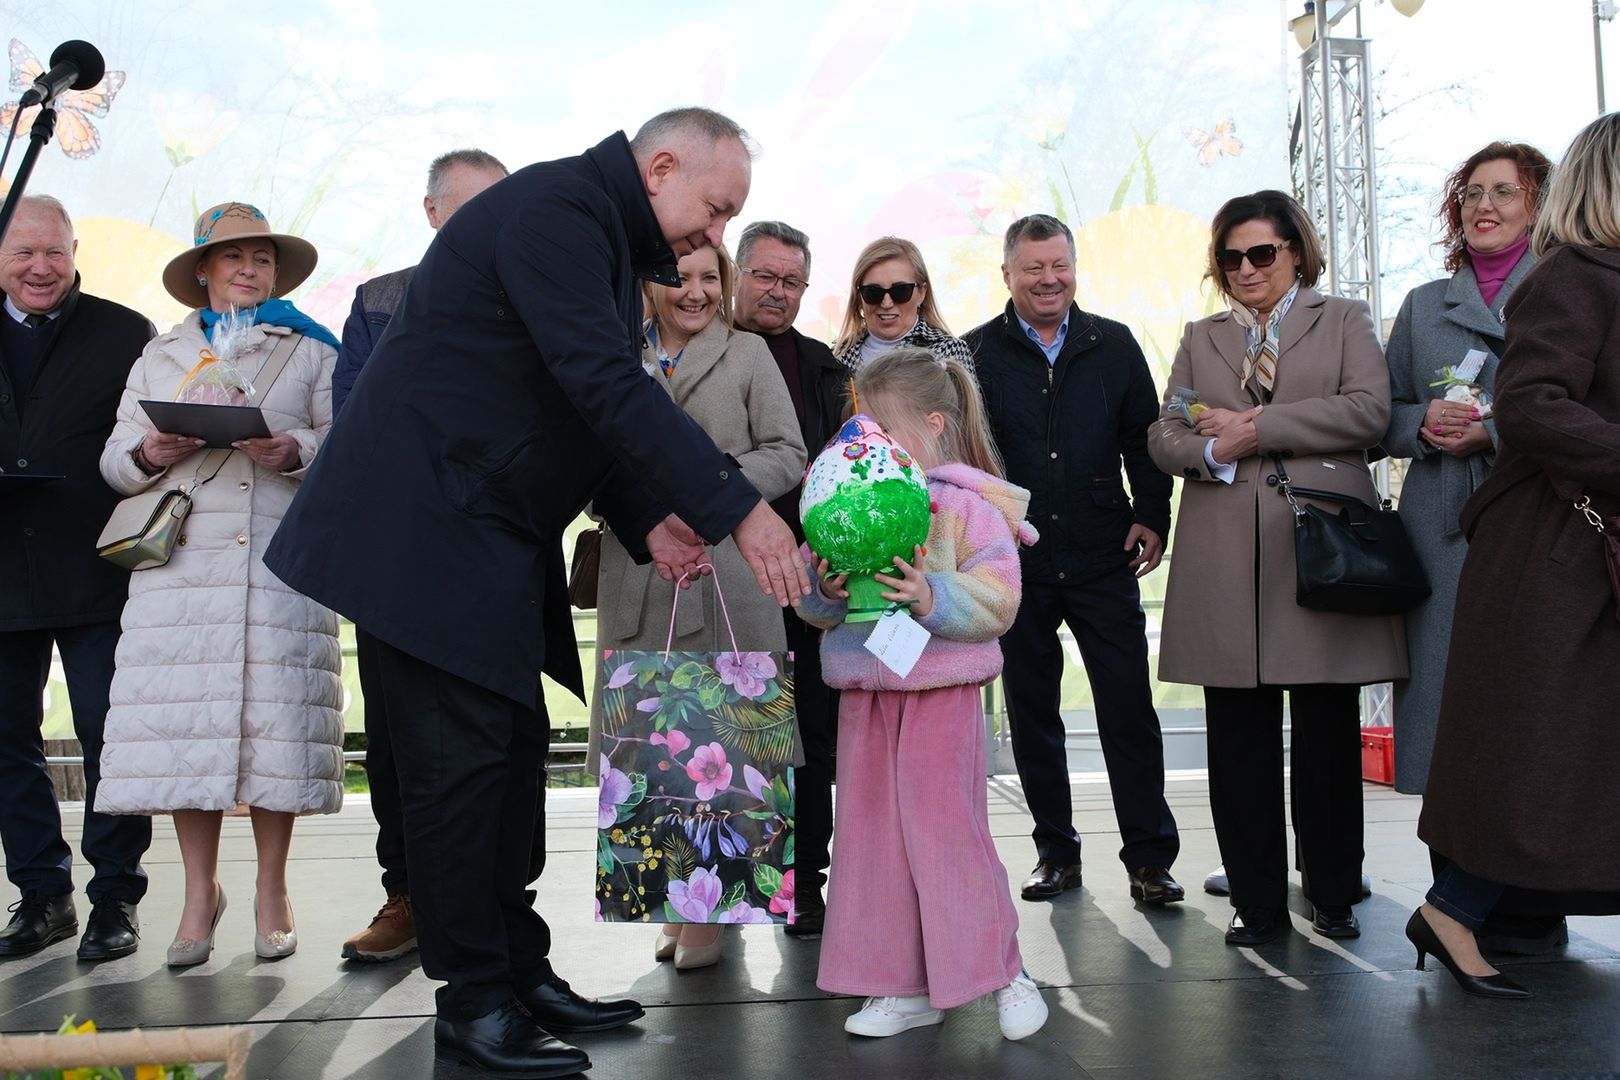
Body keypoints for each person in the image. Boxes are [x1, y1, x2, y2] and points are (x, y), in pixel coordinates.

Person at [262, 108, 808, 1080]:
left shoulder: (589, 229)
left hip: (481, 537)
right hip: (425, 542)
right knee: (457, 786)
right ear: (665, 165)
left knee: (507, 770)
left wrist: (648, 518)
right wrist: (737, 511)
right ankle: (473, 1007)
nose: (712, 238)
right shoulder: (559, 210)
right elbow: (601, 383)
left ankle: (518, 974)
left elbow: (574, 404)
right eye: (716, 211)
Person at [1147, 190, 1405, 946]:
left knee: (1326, 735)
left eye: (1262, 252)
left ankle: (1331, 891)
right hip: (1226, 559)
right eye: (1232, 257)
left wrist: (1257, 427)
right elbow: (1168, 430)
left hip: (1321, 547)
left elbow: (1369, 412)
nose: (1247, 268)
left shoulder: (1345, 319)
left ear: (1296, 250)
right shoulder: (1203, 335)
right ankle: (1257, 902)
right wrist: (1210, 449)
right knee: (1238, 742)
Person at [95, 202, 344, 967]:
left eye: (261, 258)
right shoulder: (159, 354)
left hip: (276, 564)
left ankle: (272, 888)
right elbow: (112, 464)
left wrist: (292, 449)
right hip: (182, 569)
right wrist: (151, 446)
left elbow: (346, 446)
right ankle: (199, 896)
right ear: (201, 269)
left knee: (275, 732)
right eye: (232, 256)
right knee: (185, 737)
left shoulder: (309, 351)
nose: (248, 269)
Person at [1412, 112, 1620, 1000]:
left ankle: (1458, 905)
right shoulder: (1576, 276)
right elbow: (1533, 406)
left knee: (1559, 751)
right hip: (1560, 555)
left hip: (1578, 550)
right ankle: (1455, 906)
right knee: (1538, 748)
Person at [797, 347, 1048, 1043]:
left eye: (881, 427)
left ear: (934, 424)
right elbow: (815, 607)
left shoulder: (969, 507)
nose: (864, 442)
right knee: (871, 840)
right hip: (866, 696)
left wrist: (931, 593)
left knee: (947, 836)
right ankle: (899, 985)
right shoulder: (844, 500)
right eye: (859, 426)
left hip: (941, 693)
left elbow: (999, 599)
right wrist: (827, 588)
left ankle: (1003, 971)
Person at [593, 241, 806, 969]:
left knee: (729, 752)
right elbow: (587, 457)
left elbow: (787, 451)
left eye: (708, 278)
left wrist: (704, 488)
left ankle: (715, 914)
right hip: (642, 568)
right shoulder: (618, 355)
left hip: (727, 572)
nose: (694, 292)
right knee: (654, 752)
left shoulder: (748, 355)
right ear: (649, 283)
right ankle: (672, 901)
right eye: (677, 278)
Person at [964, 214, 1182, 906]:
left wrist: (1152, 513)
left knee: (1128, 710)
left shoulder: (1112, 345)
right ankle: (1055, 853)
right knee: (1033, 715)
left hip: (1101, 553)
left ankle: (1150, 858)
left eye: (1059, 265)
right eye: (1033, 268)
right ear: (1008, 274)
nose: (1048, 279)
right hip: (1016, 562)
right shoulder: (975, 353)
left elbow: (1143, 442)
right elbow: (969, 455)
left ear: (1074, 268)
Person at [334, 148, 508, 966]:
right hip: (398, 560)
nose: (482, 221)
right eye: (467, 206)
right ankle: (405, 895)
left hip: (498, 558)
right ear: (432, 212)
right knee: (399, 744)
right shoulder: (379, 302)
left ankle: (500, 912)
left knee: (502, 745)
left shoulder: (530, 289)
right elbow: (362, 424)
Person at [0, 195, 154, 962]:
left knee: (111, 737)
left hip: (97, 566)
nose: (39, 267)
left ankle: (114, 897)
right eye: (23, 252)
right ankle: (40, 893)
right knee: (6, 740)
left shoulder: (125, 332)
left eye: (53, 252)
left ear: (73, 251)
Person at [1381, 142, 1550, 796]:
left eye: (1504, 192)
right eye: (1472, 193)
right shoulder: (1424, 305)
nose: (1484, 205)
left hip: (1533, 514)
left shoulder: (1564, 289)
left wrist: (1495, 433)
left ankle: (1524, 870)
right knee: (1440, 693)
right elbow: (1382, 414)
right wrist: (1420, 423)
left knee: (1528, 695)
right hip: (1439, 526)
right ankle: (1452, 872)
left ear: (1538, 205)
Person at [731, 219, 847, 937]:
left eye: (791, 281)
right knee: (730, 736)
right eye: (766, 276)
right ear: (737, 273)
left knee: (809, 738)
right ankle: (721, 895)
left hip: (804, 580)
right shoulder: (700, 349)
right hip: (718, 572)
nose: (777, 291)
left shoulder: (825, 367)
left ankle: (807, 884)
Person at [831, 237, 974, 372]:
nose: (886, 303)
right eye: (873, 292)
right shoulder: (835, 357)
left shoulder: (948, 352)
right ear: (859, 296)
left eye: (901, 291)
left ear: (922, 293)